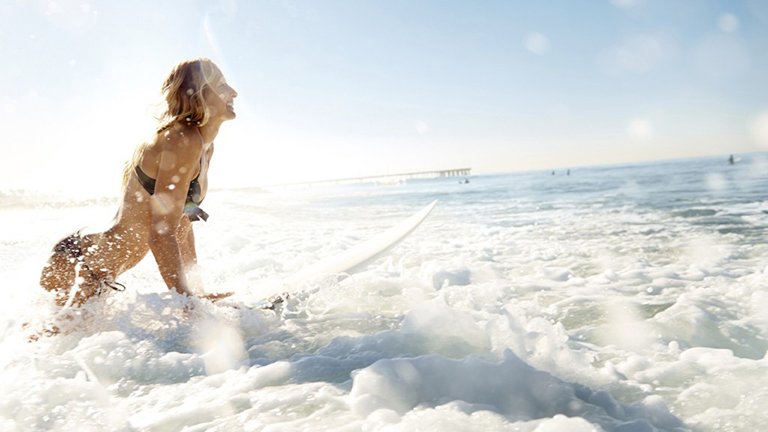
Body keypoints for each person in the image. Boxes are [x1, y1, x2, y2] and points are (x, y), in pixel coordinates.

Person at [39, 58, 237, 307]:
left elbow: (183, 222)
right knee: (41, 344)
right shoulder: (182, 139)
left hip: (96, 271)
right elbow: (160, 233)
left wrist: (198, 292)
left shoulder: (205, 148)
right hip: (78, 263)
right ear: (198, 93)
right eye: (221, 85)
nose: (233, 92)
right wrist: (187, 303)